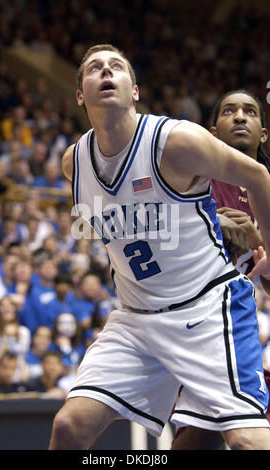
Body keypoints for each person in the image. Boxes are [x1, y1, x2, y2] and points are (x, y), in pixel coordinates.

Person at [49, 44, 270, 450]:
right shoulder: (73, 165)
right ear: (80, 94)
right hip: (136, 321)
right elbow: (119, 230)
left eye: (117, 66)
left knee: (246, 443)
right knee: (68, 428)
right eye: (94, 68)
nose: (106, 72)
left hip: (206, 310)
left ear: (134, 90)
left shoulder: (177, 140)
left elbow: (259, 176)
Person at [171, 90, 270, 450]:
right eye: (229, 111)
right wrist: (209, 228)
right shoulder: (189, 183)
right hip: (196, 325)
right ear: (212, 133)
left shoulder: (268, 191)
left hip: (245, 330)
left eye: (250, 111)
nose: (240, 116)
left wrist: (259, 241)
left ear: (263, 134)